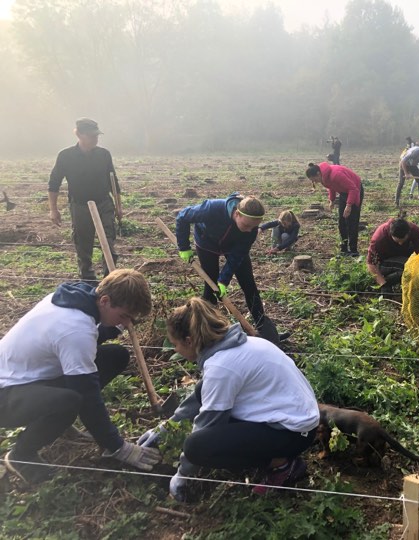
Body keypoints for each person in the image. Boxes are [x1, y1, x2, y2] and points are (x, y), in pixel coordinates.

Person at [138, 298, 319, 502]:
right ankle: (276, 456)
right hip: (295, 420)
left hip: (293, 433)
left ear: (189, 341)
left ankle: (283, 466)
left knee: (196, 447)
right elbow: (200, 395)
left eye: (175, 344)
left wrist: (182, 474)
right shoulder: (240, 345)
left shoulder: (222, 367)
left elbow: (206, 425)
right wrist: (166, 428)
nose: (175, 350)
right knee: (203, 394)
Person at [0, 269, 160, 484]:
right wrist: (116, 447)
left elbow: (90, 334)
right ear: (105, 300)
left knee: (115, 356)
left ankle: (56, 422)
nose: (128, 322)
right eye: (124, 316)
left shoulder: (78, 298)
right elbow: (88, 396)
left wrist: (117, 327)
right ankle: (22, 455)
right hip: (7, 396)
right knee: (71, 401)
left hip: (29, 377)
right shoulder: (74, 330)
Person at [175, 193, 285, 344]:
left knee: (249, 285)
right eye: (246, 225)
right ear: (237, 213)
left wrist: (224, 280)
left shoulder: (250, 231)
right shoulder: (212, 209)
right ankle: (208, 332)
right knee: (210, 287)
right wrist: (184, 247)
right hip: (207, 244)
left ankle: (264, 329)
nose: (249, 230)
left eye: (253, 227)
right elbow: (183, 216)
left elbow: (237, 256)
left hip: (233, 247)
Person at [49, 118, 122, 282]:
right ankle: (88, 279)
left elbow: (113, 181)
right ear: (79, 134)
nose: (95, 139)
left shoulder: (104, 154)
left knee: (109, 242)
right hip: (80, 205)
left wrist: (118, 206)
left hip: (104, 203)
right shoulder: (65, 156)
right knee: (83, 244)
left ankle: (110, 278)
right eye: (91, 136)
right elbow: (54, 183)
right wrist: (53, 209)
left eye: (97, 135)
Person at [305, 162, 364, 257]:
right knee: (342, 221)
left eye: (314, 179)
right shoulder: (324, 177)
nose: (315, 182)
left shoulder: (336, 175)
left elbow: (353, 189)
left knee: (352, 221)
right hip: (344, 192)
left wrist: (349, 206)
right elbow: (331, 186)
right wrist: (331, 200)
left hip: (355, 190)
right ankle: (344, 249)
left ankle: (353, 250)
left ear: (318, 174)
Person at [366, 216, 419, 295]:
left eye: (403, 241)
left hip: (404, 257)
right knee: (408, 266)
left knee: (414, 266)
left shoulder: (414, 231)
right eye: (397, 242)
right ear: (391, 234)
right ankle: (386, 281)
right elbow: (371, 264)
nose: (400, 244)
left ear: (408, 233)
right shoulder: (379, 238)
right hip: (384, 263)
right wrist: (383, 284)